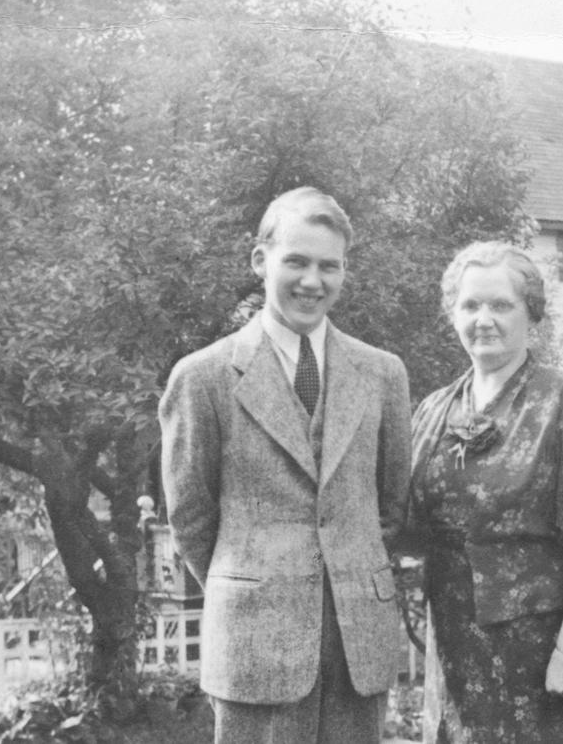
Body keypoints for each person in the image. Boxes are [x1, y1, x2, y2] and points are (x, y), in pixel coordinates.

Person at [159, 186, 412, 744]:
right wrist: (255, 584)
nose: (311, 281)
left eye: (329, 266)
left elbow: (391, 506)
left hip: (357, 643)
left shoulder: (382, 374)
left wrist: (349, 572)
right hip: (254, 645)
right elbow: (191, 518)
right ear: (260, 260)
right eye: (295, 261)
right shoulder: (203, 377)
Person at [407, 241, 563, 743]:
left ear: (531, 313)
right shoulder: (434, 409)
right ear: (452, 314)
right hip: (454, 646)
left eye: (501, 305)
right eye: (470, 305)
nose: (485, 319)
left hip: (537, 652)